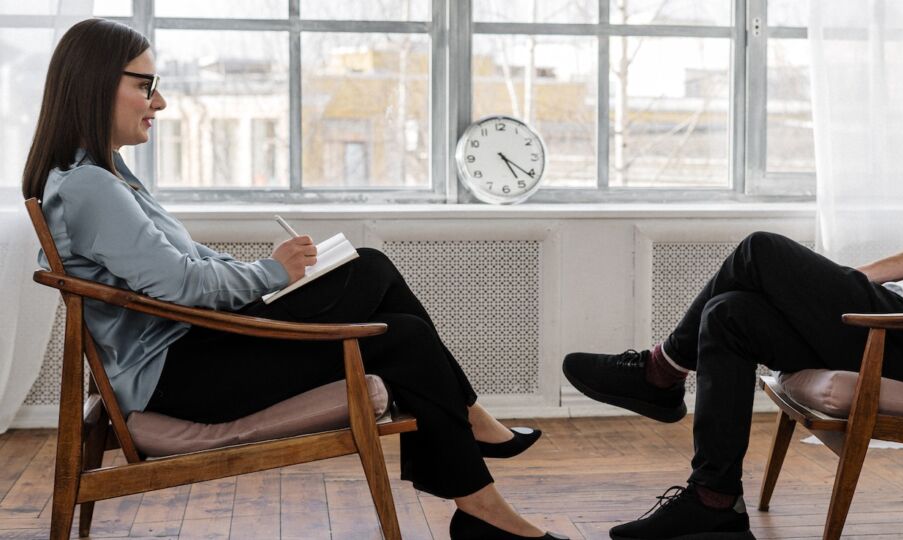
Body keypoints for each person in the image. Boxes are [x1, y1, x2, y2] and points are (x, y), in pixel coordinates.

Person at [23, 18, 566, 540]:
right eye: (147, 86)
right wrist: (270, 273)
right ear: (96, 85)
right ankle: (474, 458)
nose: (159, 103)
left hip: (190, 351)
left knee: (392, 314)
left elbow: (184, 262)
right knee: (381, 289)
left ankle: (480, 503)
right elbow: (182, 285)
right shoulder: (91, 186)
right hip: (179, 375)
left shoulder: (105, 177)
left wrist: (269, 274)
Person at [563, 67, 903, 540]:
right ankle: (713, 502)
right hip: (898, 320)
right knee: (727, 313)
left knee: (761, 249)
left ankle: (660, 374)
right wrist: (847, 279)